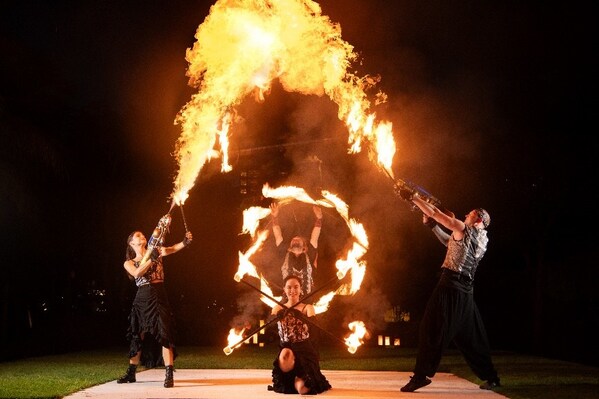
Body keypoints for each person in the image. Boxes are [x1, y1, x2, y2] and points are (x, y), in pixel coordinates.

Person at [399, 191, 500, 393]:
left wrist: (414, 198)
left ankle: (421, 376)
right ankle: (492, 377)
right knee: (472, 339)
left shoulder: (464, 228)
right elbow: (450, 243)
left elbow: (436, 213)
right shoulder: (482, 238)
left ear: (478, 218)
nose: (465, 215)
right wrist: (433, 226)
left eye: (470, 214)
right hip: (466, 292)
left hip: (450, 287)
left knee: (430, 328)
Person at [116, 221, 192, 389]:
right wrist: (151, 260)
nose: (142, 236)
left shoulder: (157, 250)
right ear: (131, 243)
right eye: (137, 236)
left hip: (159, 295)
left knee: (165, 334)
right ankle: (131, 373)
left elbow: (172, 248)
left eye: (143, 235)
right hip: (142, 297)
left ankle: (169, 374)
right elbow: (137, 273)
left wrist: (185, 242)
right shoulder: (129, 262)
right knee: (138, 334)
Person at [268, 274, 332, 395]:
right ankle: (289, 378)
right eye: (289, 287)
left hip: (304, 350)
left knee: (303, 390)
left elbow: (315, 329)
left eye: (296, 287)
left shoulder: (308, 308)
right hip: (287, 350)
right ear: (284, 289)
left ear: (301, 289)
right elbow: (269, 327)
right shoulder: (277, 308)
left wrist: (303, 317)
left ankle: (300, 380)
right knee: (286, 354)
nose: (293, 290)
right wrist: (277, 317)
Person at [270, 202, 322, 300]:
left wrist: (319, 218)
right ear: (289, 247)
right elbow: (277, 234)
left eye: (298, 240)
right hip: (287, 299)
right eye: (294, 240)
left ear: (304, 248)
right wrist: (274, 217)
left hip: (306, 299)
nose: (295, 240)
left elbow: (315, 236)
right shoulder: (284, 254)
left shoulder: (309, 254)